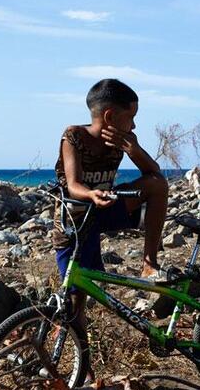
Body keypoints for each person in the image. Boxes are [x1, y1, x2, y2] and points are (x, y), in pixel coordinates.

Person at [51, 79, 169, 288]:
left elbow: (154, 174)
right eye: (130, 117)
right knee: (75, 299)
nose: (133, 125)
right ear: (110, 116)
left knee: (157, 184)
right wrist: (91, 194)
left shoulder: (124, 140)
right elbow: (73, 185)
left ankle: (149, 264)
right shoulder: (74, 136)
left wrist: (134, 150)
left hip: (103, 211)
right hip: (74, 222)